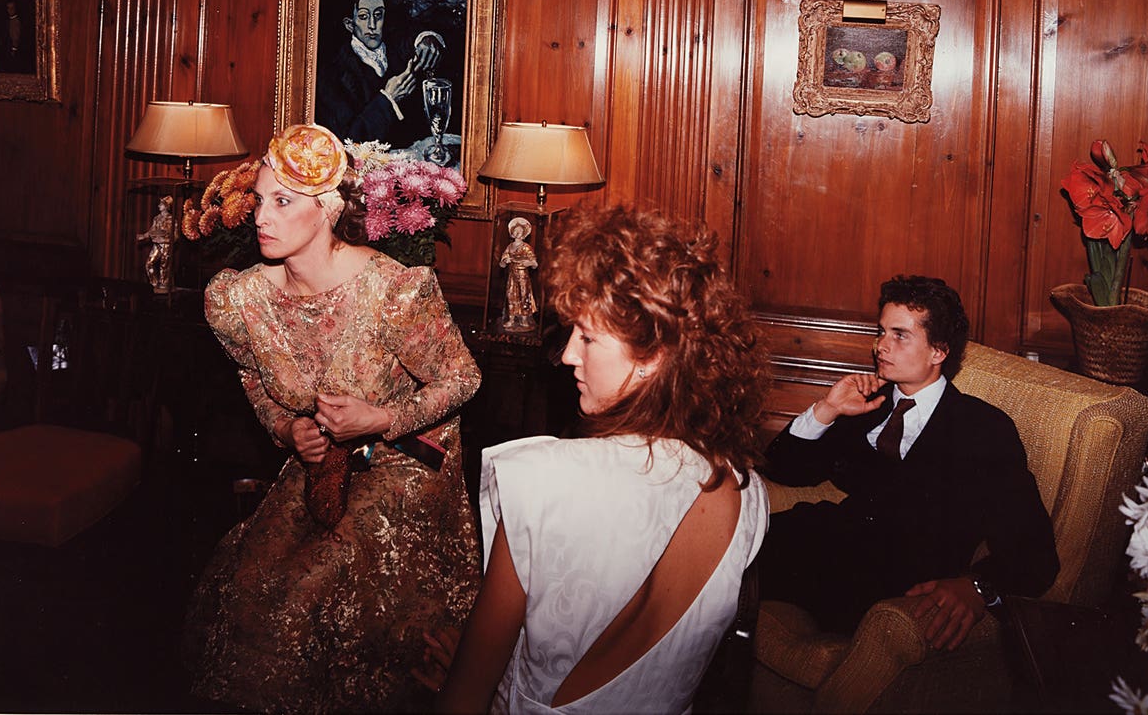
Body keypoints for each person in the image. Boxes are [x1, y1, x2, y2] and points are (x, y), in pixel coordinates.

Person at [183, 122, 483, 713]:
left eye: (283, 202)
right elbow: (253, 379)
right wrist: (284, 428)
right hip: (320, 466)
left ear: (327, 209)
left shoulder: (391, 292)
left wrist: (380, 419)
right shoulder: (240, 300)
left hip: (407, 463)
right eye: (260, 200)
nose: (261, 217)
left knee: (312, 585)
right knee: (249, 586)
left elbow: (463, 379)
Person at [428, 204, 770, 713]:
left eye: (588, 337)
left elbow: (466, 696)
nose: (569, 354)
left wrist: (479, 673)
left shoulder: (541, 480)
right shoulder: (744, 492)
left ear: (654, 356)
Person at [758, 275, 1058, 651]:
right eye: (881, 332)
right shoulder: (869, 404)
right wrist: (827, 409)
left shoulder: (982, 428)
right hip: (813, 548)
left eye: (900, 335)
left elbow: (1035, 553)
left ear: (938, 351)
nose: (881, 346)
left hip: (878, 585)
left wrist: (976, 587)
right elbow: (782, 469)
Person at [315, 0, 446, 150]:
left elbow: (414, 34)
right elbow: (349, 141)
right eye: (363, 17)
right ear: (350, 25)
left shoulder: (396, 46)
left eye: (378, 15)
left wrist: (427, 37)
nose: (372, 25)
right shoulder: (332, 74)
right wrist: (388, 98)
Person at [498, 216, 538, 332]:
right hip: (512, 276)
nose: (517, 233)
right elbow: (502, 263)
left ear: (524, 234)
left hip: (523, 276)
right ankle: (511, 319)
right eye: (515, 231)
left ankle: (524, 320)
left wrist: (528, 263)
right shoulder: (510, 247)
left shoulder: (526, 248)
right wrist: (505, 261)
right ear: (512, 233)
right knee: (511, 296)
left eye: (520, 231)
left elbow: (535, 263)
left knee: (524, 296)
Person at [136, 195, 174, 293]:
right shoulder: (156, 218)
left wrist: (166, 236)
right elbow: (152, 231)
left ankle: (164, 285)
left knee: (164, 266)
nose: (159, 206)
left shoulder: (171, 219)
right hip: (157, 244)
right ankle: (154, 284)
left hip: (166, 245)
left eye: (161, 204)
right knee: (149, 263)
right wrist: (143, 236)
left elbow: (175, 235)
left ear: (166, 206)